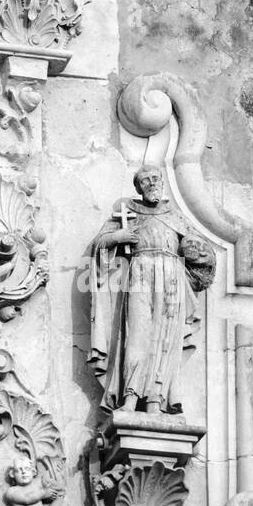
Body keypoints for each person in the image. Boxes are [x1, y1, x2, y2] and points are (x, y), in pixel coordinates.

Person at [88, 165, 215, 415]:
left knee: (166, 337)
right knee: (137, 336)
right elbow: (98, 245)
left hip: (172, 277)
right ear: (138, 187)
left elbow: (204, 253)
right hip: (140, 273)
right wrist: (117, 237)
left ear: (162, 183)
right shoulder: (127, 212)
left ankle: (156, 399)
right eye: (144, 181)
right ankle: (131, 396)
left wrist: (197, 253)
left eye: (155, 178)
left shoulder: (176, 216)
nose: (151, 183)